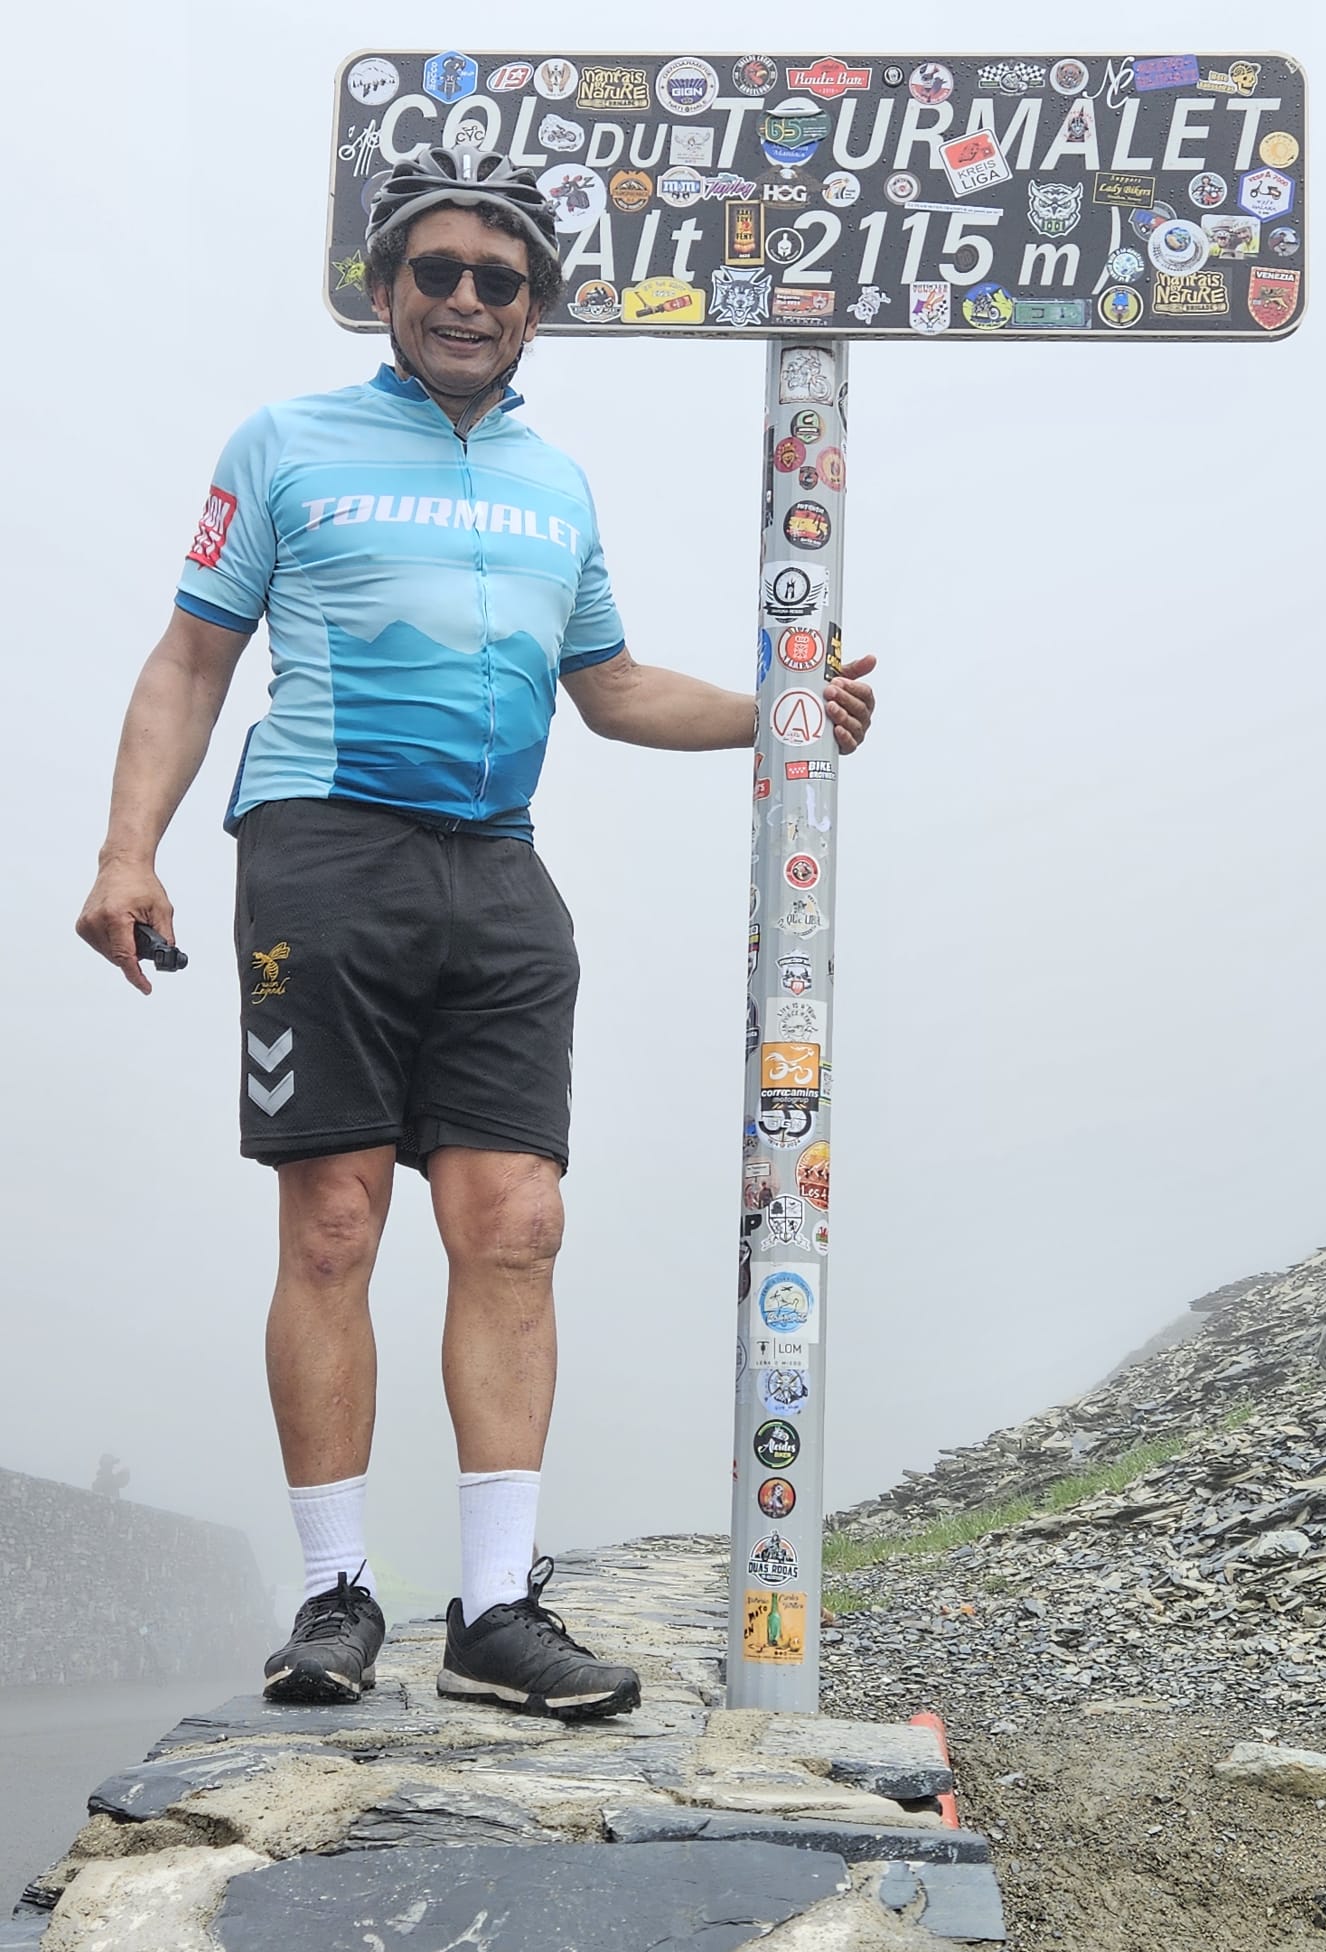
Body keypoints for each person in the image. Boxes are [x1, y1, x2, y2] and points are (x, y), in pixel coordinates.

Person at [76, 145, 875, 1720]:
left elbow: (615, 689)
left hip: (497, 868)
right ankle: (335, 1595)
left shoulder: (555, 481)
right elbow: (189, 661)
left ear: (535, 310)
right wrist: (128, 849)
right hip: (323, 846)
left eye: (494, 281)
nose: (461, 298)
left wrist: (787, 709)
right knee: (336, 1225)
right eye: (431, 273)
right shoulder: (288, 443)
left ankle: (499, 1612)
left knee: (516, 1224)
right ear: (384, 291)